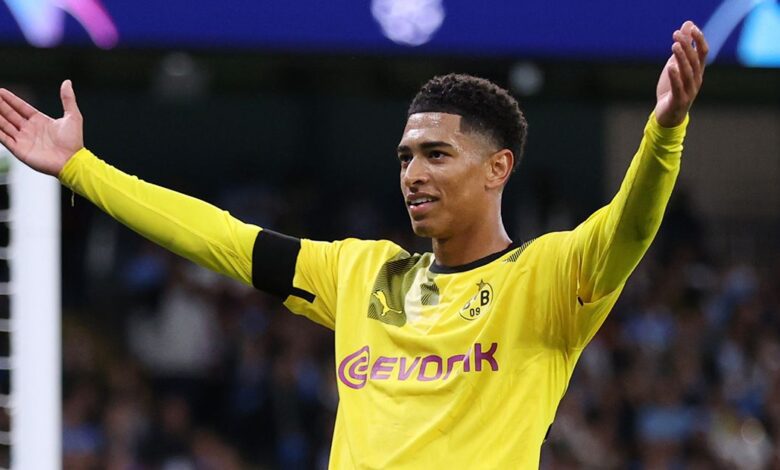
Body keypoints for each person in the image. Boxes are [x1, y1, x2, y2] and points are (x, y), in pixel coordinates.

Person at [0, 20, 708, 469]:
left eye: (436, 155)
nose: (412, 175)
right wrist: (81, 169)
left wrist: (665, 130)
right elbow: (220, 238)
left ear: (499, 169)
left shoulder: (547, 279)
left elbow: (630, 223)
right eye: (405, 157)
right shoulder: (361, 271)